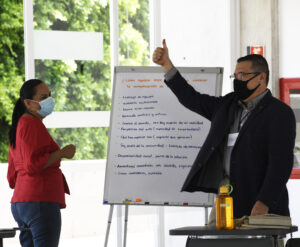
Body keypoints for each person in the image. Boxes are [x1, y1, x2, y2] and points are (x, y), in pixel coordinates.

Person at [152, 39, 296, 220]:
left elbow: (281, 164)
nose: (238, 80)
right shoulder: (227, 105)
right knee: (217, 239)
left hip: (261, 198)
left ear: (261, 77)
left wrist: (264, 201)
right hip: (227, 194)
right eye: (235, 76)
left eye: (243, 75)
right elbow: (191, 98)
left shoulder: (279, 113)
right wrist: (167, 66)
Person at [7, 79, 76, 247]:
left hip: (22, 202)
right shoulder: (31, 124)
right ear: (28, 103)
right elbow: (32, 165)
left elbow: (12, 175)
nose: (49, 101)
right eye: (43, 97)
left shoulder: (19, 124)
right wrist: (62, 153)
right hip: (40, 200)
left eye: (49, 96)